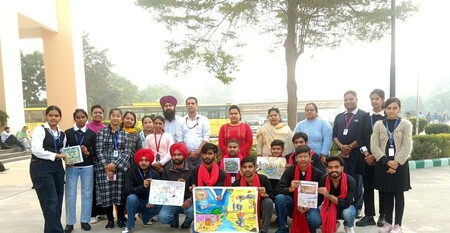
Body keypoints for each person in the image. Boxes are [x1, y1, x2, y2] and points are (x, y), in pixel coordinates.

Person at [371, 97, 412, 233]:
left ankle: (398, 224)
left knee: (398, 195)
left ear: (399, 109)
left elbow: (407, 146)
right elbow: (374, 146)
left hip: (400, 165)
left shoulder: (406, 124)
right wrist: (386, 161)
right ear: (385, 109)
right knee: (386, 194)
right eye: (388, 108)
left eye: (394, 108)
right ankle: (388, 223)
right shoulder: (378, 124)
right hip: (383, 165)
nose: (391, 111)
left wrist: (396, 163)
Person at [29, 105, 67, 233]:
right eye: (50, 115)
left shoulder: (62, 134)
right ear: (46, 116)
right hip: (40, 167)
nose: (53, 118)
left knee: (58, 200)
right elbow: (36, 150)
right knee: (50, 202)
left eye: (56, 115)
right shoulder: (40, 130)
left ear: (60, 117)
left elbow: (62, 150)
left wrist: (70, 158)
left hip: (57, 167)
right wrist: (56, 155)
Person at [95, 108, 133, 229]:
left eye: (118, 116)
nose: (115, 118)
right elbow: (99, 150)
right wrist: (107, 166)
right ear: (109, 117)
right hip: (104, 169)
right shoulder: (102, 132)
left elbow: (127, 153)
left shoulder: (126, 134)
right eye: (113, 115)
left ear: (121, 118)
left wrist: (115, 165)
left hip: (120, 169)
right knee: (106, 194)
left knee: (119, 195)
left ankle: (120, 218)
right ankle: (110, 220)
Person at [332, 90, 366, 218]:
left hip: (357, 155)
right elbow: (334, 135)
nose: (348, 102)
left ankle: (357, 207)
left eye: (351, 99)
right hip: (342, 155)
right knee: (342, 180)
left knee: (357, 181)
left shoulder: (363, 115)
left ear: (356, 99)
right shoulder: (339, 116)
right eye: (346, 99)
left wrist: (350, 147)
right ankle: (344, 205)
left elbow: (363, 135)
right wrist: (342, 147)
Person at [355, 88, 386, 227]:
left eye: (377, 98)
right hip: (366, 159)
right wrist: (367, 154)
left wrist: (376, 155)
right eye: (372, 99)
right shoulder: (366, 117)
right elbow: (360, 138)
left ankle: (383, 215)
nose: (374, 101)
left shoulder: (387, 116)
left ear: (383, 100)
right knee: (367, 188)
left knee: (382, 188)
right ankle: (369, 215)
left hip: (382, 160)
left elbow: (389, 140)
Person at [274, 145, 322, 233]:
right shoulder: (290, 171)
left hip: (310, 206)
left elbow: (321, 196)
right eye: (300, 157)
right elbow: (278, 190)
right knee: (280, 198)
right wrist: (290, 189)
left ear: (310, 157)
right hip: (293, 204)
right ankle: (283, 228)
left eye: (305, 156)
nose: (303, 159)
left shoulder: (317, 173)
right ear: (296, 158)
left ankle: (310, 227)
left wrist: (309, 205)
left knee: (315, 221)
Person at [64, 109, 97, 233]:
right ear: (74, 118)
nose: (80, 119)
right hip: (72, 167)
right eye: (78, 117)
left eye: (83, 117)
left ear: (86, 118)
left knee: (87, 194)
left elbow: (96, 151)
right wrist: (66, 160)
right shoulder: (67, 133)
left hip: (87, 167)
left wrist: (88, 152)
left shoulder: (91, 134)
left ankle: (85, 220)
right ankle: (70, 223)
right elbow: (63, 149)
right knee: (70, 195)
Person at [121, 149, 162, 233]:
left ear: (150, 161)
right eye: (141, 160)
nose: (143, 163)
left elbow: (159, 192)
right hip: (136, 202)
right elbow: (127, 190)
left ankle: (145, 216)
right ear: (137, 161)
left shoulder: (155, 173)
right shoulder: (131, 172)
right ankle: (130, 225)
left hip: (149, 202)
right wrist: (142, 187)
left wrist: (153, 201)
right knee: (131, 198)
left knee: (163, 202)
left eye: (146, 160)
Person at [232, 156, 274, 233]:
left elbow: (272, 196)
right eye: (244, 167)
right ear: (241, 169)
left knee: (268, 202)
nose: (247, 169)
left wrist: (265, 195)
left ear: (255, 168)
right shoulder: (236, 184)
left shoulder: (263, 179)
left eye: (250, 167)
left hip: (260, 209)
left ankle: (264, 231)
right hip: (243, 210)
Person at [159, 143, 194, 229]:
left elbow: (197, 188)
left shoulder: (192, 169)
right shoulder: (167, 170)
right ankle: (174, 220)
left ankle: (186, 224)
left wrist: (191, 199)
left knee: (193, 212)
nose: (176, 157)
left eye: (179, 154)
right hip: (172, 200)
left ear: (184, 155)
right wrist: (175, 185)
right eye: (174, 155)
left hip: (187, 200)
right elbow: (163, 189)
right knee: (163, 217)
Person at [318, 155, 356, 233]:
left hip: (344, 207)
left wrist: (328, 195)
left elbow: (346, 203)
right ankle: (333, 223)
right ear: (327, 169)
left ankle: (348, 226)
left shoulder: (350, 181)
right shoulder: (323, 180)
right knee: (318, 209)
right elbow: (319, 200)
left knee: (349, 212)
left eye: (336, 167)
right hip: (328, 206)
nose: (333, 170)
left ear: (342, 168)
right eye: (330, 167)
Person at [176, 97, 210, 169]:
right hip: (186, 154)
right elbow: (179, 138)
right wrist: (187, 152)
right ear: (186, 106)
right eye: (188, 104)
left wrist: (197, 152)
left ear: (197, 105)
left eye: (193, 103)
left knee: (200, 174)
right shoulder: (181, 121)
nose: (190, 105)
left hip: (201, 154)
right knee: (188, 175)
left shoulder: (204, 120)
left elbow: (206, 137)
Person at [86, 104, 106, 224]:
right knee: (92, 188)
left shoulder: (105, 127)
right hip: (90, 162)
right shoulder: (87, 128)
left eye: (100, 112)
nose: (98, 114)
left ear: (103, 114)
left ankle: (103, 212)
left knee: (103, 188)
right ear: (91, 114)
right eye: (95, 112)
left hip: (103, 163)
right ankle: (92, 213)